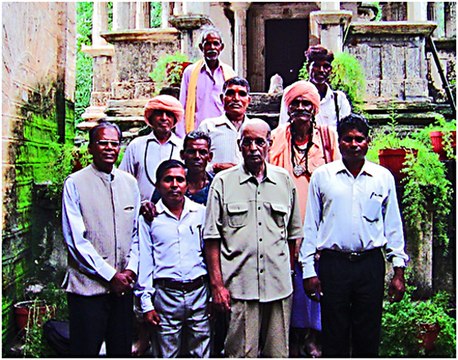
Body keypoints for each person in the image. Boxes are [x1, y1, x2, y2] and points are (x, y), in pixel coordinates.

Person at [300, 114, 409, 357]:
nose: (354, 144)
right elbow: (311, 226)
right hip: (333, 264)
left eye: (359, 139)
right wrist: (309, 271)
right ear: (339, 143)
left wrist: (398, 270)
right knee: (334, 333)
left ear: (368, 142)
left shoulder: (382, 178)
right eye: (348, 139)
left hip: (369, 265)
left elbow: (393, 226)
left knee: (368, 334)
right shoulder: (323, 176)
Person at [203, 118, 304, 357]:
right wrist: (217, 285)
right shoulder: (222, 182)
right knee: (240, 353)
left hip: (278, 288)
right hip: (239, 287)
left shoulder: (284, 180)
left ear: (269, 144)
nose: (253, 148)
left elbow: (293, 235)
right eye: (247, 142)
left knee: (277, 353)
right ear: (240, 146)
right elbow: (211, 238)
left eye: (259, 142)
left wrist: (285, 271)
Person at [269, 80, 340, 357]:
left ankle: (314, 335)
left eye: (306, 104)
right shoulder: (278, 137)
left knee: (316, 280)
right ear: (288, 108)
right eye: (295, 103)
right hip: (285, 223)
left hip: (321, 221)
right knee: (293, 282)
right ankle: (293, 336)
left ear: (314, 108)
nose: (300, 108)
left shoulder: (326, 136)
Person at [62, 121, 140, 356]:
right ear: (90, 148)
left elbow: (136, 234)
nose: (109, 148)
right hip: (88, 291)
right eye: (102, 143)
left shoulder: (130, 183)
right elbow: (76, 240)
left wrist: (131, 271)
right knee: (86, 351)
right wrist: (110, 275)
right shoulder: (74, 183)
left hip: (123, 290)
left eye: (114, 144)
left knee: (120, 350)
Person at [136, 160, 211, 358]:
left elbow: (209, 255)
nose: (174, 185)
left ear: (187, 185)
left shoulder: (200, 213)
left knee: (201, 351)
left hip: (199, 293)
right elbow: (145, 261)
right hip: (166, 295)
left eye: (180, 180)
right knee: (166, 353)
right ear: (158, 185)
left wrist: (212, 293)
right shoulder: (149, 218)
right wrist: (146, 304)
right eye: (168, 180)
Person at [119, 94, 184, 210]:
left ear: (174, 119)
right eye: (159, 113)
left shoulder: (182, 147)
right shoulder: (136, 145)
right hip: (140, 213)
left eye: (169, 114)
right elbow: (123, 181)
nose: (164, 118)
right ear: (151, 118)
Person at [177, 25, 236, 138]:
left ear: (221, 47)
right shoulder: (190, 72)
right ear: (201, 47)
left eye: (215, 43)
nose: (212, 47)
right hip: (196, 134)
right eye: (207, 44)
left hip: (222, 133)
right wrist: (181, 137)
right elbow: (182, 106)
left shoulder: (230, 74)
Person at [279, 45, 351, 130]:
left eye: (326, 66)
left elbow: (346, 131)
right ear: (307, 68)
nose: (321, 70)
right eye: (316, 66)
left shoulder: (339, 100)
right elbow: (283, 128)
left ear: (331, 70)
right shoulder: (293, 93)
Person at [198, 76, 252, 174]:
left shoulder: (255, 129)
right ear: (222, 98)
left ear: (249, 101)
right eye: (230, 93)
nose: (236, 98)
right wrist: (215, 168)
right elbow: (197, 161)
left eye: (242, 94)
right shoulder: (208, 127)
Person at [151, 130, 214, 204]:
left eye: (202, 152)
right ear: (182, 155)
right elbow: (154, 208)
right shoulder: (169, 182)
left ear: (210, 157)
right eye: (191, 152)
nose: (197, 156)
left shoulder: (217, 184)